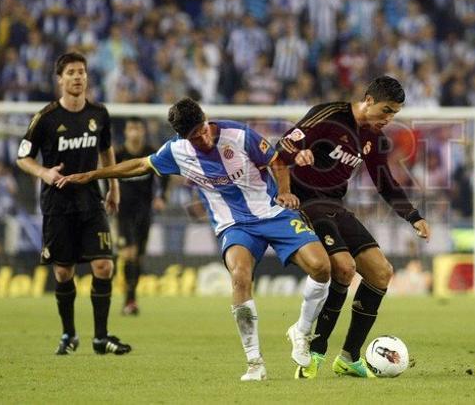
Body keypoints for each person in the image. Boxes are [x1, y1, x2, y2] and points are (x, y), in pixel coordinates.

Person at [57, 97, 332, 381]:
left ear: (205, 118)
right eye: (194, 136)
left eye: (203, 129)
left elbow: (276, 161)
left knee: (322, 267)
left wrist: (285, 191)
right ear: (182, 137)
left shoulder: (237, 134)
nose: (203, 137)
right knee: (239, 275)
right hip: (234, 225)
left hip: (273, 212)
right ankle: (254, 363)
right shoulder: (176, 152)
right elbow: (139, 165)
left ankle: (300, 330)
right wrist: (92, 175)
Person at [276, 75, 431, 378]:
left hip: (334, 206)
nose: (389, 118)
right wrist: (292, 171)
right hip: (307, 202)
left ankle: (348, 357)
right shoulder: (330, 116)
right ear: (369, 100)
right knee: (344, 268)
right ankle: (315, 354)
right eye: (386, 110)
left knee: (381, 272)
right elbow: (281, 148)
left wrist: (413, 216)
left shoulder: (374, 137)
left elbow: (385, 183)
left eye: (395, 114)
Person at [16, 52, 132, 355]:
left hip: (91, 201)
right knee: (63, 273)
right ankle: (68, 335)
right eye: (71, 72)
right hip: (57, 205)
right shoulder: (46, 118)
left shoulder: (99, 114)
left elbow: (107, 152)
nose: (77, 77)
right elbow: (23, 157)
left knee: (104, 265)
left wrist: (114, 186)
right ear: (60, 79)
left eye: (81, 72)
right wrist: (44, 173)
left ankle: (101, 337)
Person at [115, 117, 169, 316]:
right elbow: (106, 176)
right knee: (128, 253)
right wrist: (108, 196)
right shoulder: (118, 155)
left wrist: (161, 197)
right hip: (123, 212)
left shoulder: (150, 153)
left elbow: (164, 175)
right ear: (126, 132)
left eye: (138, 128)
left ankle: (131, 298)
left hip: (144, 211)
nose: (135, 132)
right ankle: (129, 299)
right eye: (131, 128)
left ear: (143, 131)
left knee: (137, 256)